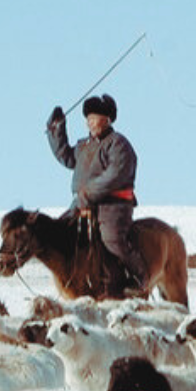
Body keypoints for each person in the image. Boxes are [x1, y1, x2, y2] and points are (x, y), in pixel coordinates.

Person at [45, 94, 147, 292]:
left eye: (94, 118)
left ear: (107, 119)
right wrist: (55, 129)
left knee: (112, 239)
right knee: (59, 232)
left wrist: (87, 193)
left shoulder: (119, 144)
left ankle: (138, 276)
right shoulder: (84, 146)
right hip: (83, 203)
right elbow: (65, 156)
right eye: (88, 119)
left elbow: (115, 175)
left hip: (112, 205)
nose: (90, 123)